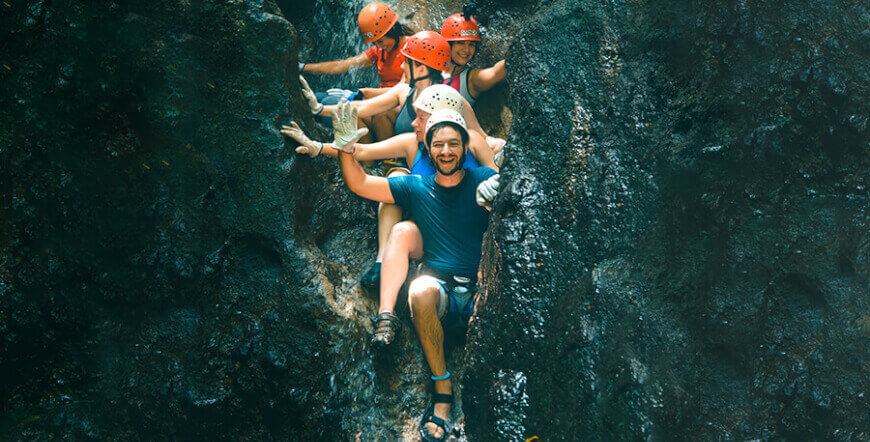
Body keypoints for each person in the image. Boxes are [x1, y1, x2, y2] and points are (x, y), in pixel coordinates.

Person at [328, 102, 500, 441]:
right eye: (438, 144)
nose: (446, 151)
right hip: (442, 298)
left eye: (454, 143)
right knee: (420, 289)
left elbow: (522, 187)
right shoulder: (416, 186)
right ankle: (442, 391)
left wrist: (502, 190)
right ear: (428, 148)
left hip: (484, 294)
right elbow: (360, 183)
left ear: (466, 147)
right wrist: (346, 151)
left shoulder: (483, 178)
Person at [282, 85, 498, 293]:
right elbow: (363, 151)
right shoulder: (412, 143)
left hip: (468, 222)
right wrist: (317, 147)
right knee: (397, 177)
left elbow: (496, 180)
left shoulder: (473, 141)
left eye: (421, 118)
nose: (413, 123)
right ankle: (381, 261)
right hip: (428, 223)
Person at [300, 30, 455, 142]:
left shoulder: (450, 101)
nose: (402, 66)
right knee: (326, 102)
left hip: (417, 167)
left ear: (422, 69)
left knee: (379, 115)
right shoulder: (405, 90)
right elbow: (362, 107)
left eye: (406, 62)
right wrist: (319, 109)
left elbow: (474, 138)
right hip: (407, 161)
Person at [299, 2, 413, 89]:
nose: (378, 47)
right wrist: (302, 67)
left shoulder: (412, 47)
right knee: (320, 98)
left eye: (380, 41)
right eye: (374, 43)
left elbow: (403, 90)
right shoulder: (379, 51)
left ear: (392, 30)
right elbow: (341, 65)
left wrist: (363, 95)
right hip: (381, 100)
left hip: (395, 105)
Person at [440, 6, 506, 106]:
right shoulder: (429, 68)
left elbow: (494, 73)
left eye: (471, 44)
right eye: (460, 43)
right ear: (448, 44)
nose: (466, 50)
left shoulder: (471, 80)